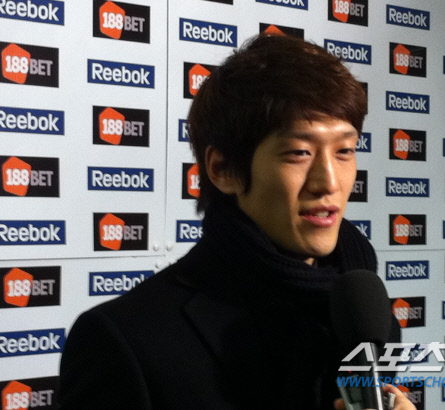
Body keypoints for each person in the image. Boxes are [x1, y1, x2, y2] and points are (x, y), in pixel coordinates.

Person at [59, 34, 414, 409]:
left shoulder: (365, 320)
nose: (329, 182)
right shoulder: (123, 340)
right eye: (299, 152)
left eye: (344, 151)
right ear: (223, 169)